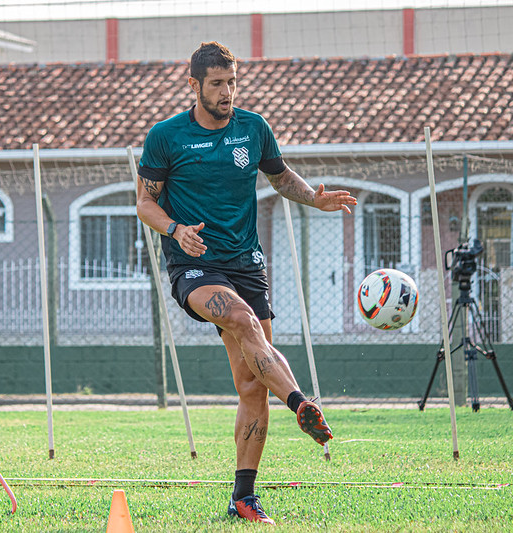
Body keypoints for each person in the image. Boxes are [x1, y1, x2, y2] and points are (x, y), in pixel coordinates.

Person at [135, 41, 357, 525]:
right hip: (194, 265)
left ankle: (243, 498)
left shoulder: (253, 128)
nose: (227, 91)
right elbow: (145, 204)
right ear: (193, 85)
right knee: (239, 317)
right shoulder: (166, 137)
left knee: (252, 386)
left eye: (232, 81)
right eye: (217, 83)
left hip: (247, 264)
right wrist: (176, 230)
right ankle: (301, 402)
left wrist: (314, 200)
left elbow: (280, 178)